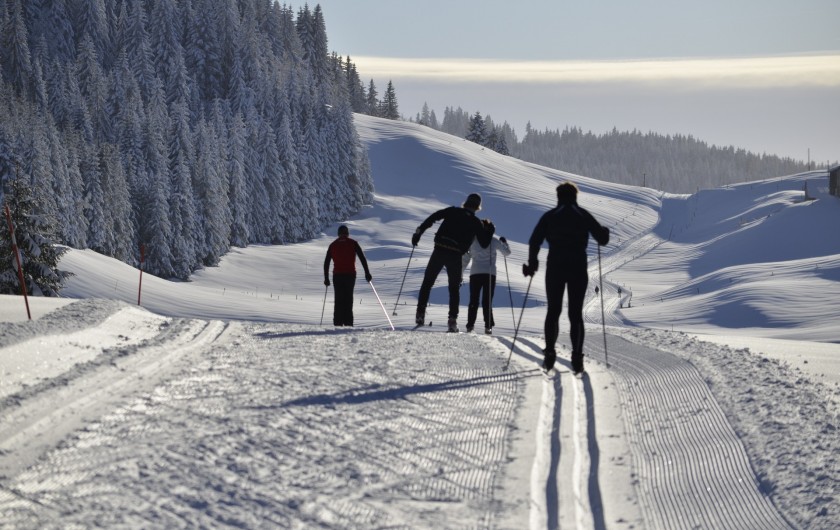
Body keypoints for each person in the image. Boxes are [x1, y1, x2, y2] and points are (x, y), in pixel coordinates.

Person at [523, 181, 609, 374]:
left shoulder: (550, 216)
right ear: (575, 196)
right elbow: (602, 240)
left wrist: (532, 263)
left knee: (553, 311)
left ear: (558, 196)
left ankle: (550, 354)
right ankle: (577, 358)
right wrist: (605, 232)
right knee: (575, 314)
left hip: (555, 266)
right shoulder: (583, 214)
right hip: (578, 266)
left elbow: (534, 240)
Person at [412, 193, 492, 332]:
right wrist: (490, 230)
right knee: (454, 289)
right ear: (478, 207)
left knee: (427, 283)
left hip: (439, 250)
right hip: (455, 256)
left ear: (465, 203)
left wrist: (419, 232)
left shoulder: (453, 210)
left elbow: (434, 217)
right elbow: (484, 243)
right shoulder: (476, 222)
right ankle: (452, 321)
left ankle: (420, 314)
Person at [461, 219, 511, 334]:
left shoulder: (473, 241)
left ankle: (470, 326)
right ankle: (488, 326)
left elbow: (466, 258)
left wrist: (460, 273)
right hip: (490, 274)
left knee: (474, 300)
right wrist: (504, 243)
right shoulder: (494, 241)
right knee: (487, 300)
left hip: (475, 273)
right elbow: (507, 253)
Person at [323, 225, 372, 327]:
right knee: (348, 300)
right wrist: (367, 273)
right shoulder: (353, 243)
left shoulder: (333, 245)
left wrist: (326, 278)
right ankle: (348, 324)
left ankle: (337, 324)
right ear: (347, 233)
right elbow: (362, 258)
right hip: (350, 276)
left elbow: (326, 262)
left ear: (338, 233)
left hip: (337, 276)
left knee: (338, 300)